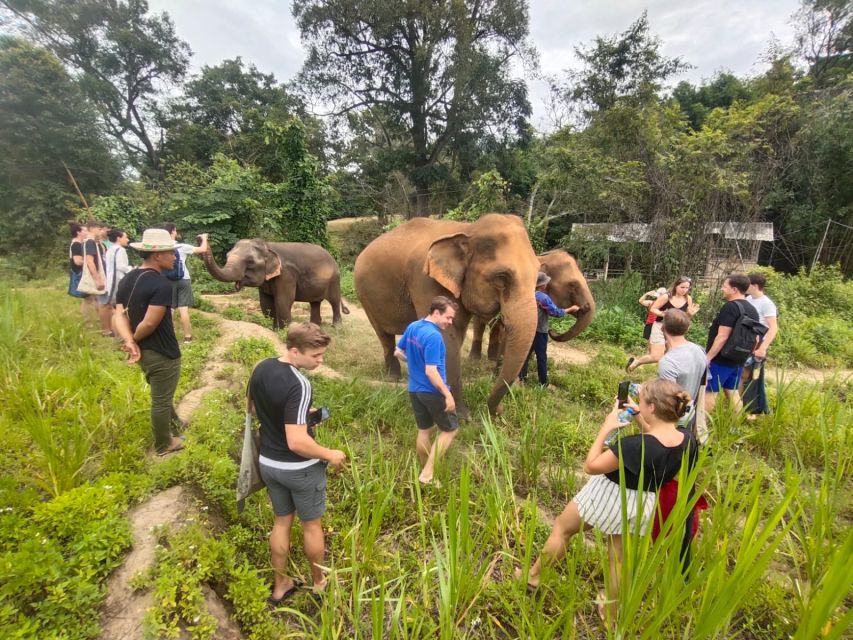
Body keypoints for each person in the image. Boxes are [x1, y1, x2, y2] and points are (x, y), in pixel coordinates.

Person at [519, 379, 698, 621]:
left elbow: (591, 466)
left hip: (608, 495)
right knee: (619, 558)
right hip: (643, 503)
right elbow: (656, 438)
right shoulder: (687, 440)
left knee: (562, 528)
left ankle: (533, 577)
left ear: (653, 408)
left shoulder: (633, 446)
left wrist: (606, 428)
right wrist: (638, 416)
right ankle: (611, 612)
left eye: (643, 400)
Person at [248, 322, 347, 603]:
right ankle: (319, 582)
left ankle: (280, 585)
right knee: (311, 526)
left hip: (269, 463)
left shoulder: (262, 367)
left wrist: (300, 412)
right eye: (315, 356)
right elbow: (296, 442)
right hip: (299, 469)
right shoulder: (300, 383)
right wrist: (330, 454)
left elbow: (253, 408)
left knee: (281, 523)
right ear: (295, 351)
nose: (320, 360)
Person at [113, 228, 186, 456]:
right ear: (157, 255)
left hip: (144, 351)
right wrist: (133, 340)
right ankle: (164, 444)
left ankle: (176, 425)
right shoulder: (161, 285)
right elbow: (149, 324)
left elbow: (118, 314)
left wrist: (129, 341)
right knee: (161, 399)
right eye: (170, 253)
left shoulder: (129, 278)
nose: (174, 257)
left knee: (162, 392)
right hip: (161, 351)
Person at [394, 296, 459, 485]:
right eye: (448, 317)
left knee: (425, 430)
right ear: (436, 312)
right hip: (432, 391)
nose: (450, 322)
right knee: (450, 431)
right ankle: (428, 473)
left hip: (415, 389)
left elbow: (398, 352)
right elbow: (431, 372)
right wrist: (447, 394)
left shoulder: (414, 326)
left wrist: (414, 363)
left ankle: (425, 471)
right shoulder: (434, 336)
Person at [704, 273, 760, 415]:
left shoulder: (730, 307)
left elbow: (722, 336)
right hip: (739, 357)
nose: (722, 289)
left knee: (710, 391)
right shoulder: (752, 309)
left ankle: (701, 427)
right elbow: (756, 338)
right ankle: (735, 425)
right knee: (732, 391)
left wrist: (708, 357)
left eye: (724, 286)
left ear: (734, 289)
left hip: (722, 358)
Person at [519, 271, 580, 388]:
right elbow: (556, 312)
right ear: (542, 285)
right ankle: (543, 383)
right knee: (541, 357)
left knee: (526, 354)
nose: (547, 284)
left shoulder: (527, 294)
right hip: (539, 331)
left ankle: (522, 377)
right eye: (546, 282)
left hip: (527, 330)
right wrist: (571, 309)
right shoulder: (542, 297)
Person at [627, 277, 700, 372]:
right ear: (676, 285)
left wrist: (689, 314)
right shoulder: (666, 297)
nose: (684, 290)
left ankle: (667, 377)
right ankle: (637, 362)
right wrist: (663, 314)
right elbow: (653, 308)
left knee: (673, 356)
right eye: (682, 287)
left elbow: (685, 317)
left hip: (676, 329)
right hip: (661, 326)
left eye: (687, 288)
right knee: (656, 356)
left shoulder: (688, 299)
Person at [160, 223, 209, 343]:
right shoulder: (182, 246)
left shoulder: (161, 247)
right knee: (183, 309)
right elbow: (203, 249)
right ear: (172, 232)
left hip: (167, 280)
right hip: (184, 279)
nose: (176, 232)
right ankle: (187, 337)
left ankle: (168, 337)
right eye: (175, 230)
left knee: (170, 309)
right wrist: (204, 239)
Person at [740, 272, 779, 418]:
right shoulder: (749, 298)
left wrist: (763, 348)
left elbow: (773, 328)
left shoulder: (767, 303)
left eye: (748, 284)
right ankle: (740, 407)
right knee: (742, 375)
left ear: (755, 286)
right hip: (747, 339)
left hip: (758, 342)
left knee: (751, 376)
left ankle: (752, 409)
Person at [83, 221, 113, 336]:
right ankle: (106, 330)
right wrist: (97, 278)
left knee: (106, 303)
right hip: (99, 276)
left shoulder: (96, 243)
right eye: (100, 229)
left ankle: (109, 327)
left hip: (103, 274)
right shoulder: (89, 242)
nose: (102, 232)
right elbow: (90, 261)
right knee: (104, 303)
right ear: (92, 229)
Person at [68, 222, 94, 318]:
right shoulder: (76, 244)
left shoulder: (79, 243)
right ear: (78, 232)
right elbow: (78, 261)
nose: (87, 232)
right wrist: (90, 262)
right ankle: (87, 322)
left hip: (81, 273)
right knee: (88, 299)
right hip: (79, 273)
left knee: (91, 298)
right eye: (85, 230)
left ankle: (92, 319)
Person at [104, 228, 132, 309]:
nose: (127, 239)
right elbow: (121, 266)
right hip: (117, 281)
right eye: (125, 237)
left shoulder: (110, 249)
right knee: (120, 308)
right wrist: (132, 269)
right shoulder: (120, 250)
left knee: (114, 308)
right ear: (119, 238)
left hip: (110, 281)